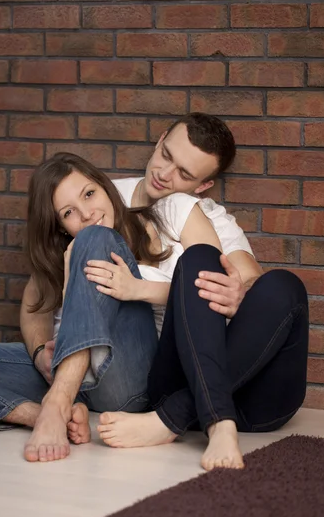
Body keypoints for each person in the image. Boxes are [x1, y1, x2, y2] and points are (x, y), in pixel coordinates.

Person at [21, 113, 308, 469]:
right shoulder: (94, 202)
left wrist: (241, 294)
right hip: (145, 373)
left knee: (282, 285)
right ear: (159, 141)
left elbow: (249, 280)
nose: (164, 174)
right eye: (167, 155)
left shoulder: (200, 215)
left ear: (203, 186)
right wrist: (39, 352)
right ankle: (202, 421)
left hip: (243, 393)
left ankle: (169, 418)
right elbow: (37, 296)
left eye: (185, 174)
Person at [0, 152, 223, 463]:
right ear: (60, 225)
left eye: (90, 194)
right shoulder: (61, 254)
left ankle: (56, 405)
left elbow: (212, 299)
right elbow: (34, 309)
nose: (86, 213)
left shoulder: (160, 221)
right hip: (69, 377)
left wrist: (137, 289)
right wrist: (41, 351)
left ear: (106, 187)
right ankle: (37, 414)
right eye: (69, 212)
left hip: (131, 379)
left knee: (96, 238)